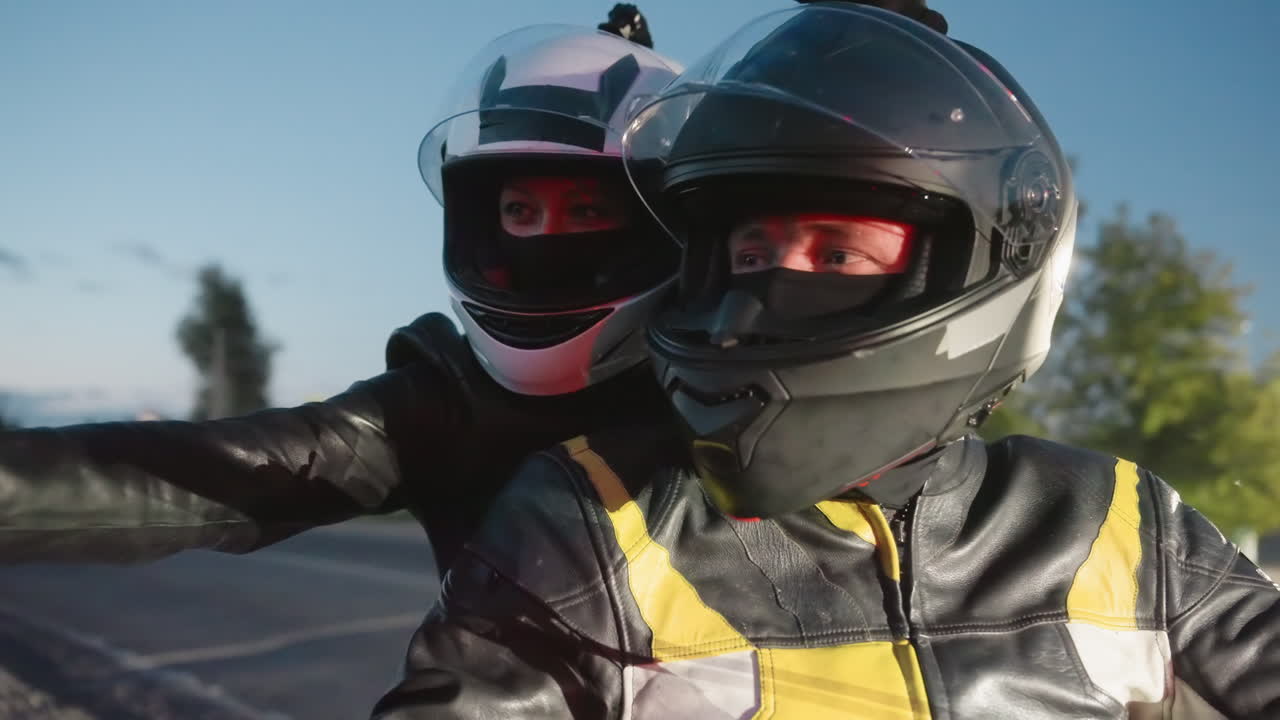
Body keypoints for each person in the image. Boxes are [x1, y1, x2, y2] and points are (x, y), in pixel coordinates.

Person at [372, 4, 1280, 719]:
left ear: (973, 262)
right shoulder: (598, 513)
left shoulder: (1112, 522)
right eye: (752, 253)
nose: (765, 298)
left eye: (838, 254)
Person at [0, 16, 681, 573]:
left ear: (666, 219)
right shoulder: (448, 405)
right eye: (519, 212)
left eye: (588, 210)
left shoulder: (736, 388)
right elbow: (211, 471)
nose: (544, 242)